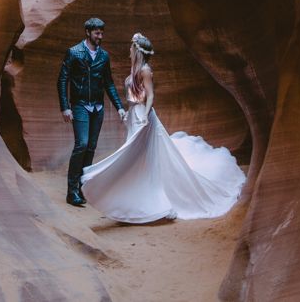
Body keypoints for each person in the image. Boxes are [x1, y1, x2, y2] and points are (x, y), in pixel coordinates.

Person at [80, 33, 245, 222]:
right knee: (134, 156)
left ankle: (142, 200)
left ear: (138, 51)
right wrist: (127, 113)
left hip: (144, 117)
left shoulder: (145, 70)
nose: (129, 50)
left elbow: (150, 95)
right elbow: (134, 97)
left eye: (132, 47)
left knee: (140, 157)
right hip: (134, 116)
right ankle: (129, 201)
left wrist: (145, 116)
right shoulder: (135, 70)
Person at [57, 17, 126, 207]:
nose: (100, 36)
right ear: (88, 32)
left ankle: (82, 187)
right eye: (97, 33)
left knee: (91, 147)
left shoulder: (104, 56)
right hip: (79, 105)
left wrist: (119, 106)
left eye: (102, 33)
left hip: (98, 107)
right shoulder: (74, 52)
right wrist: (65, 106)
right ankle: (71, 192)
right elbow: (62, 80)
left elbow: (108, 83)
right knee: (82, 144)